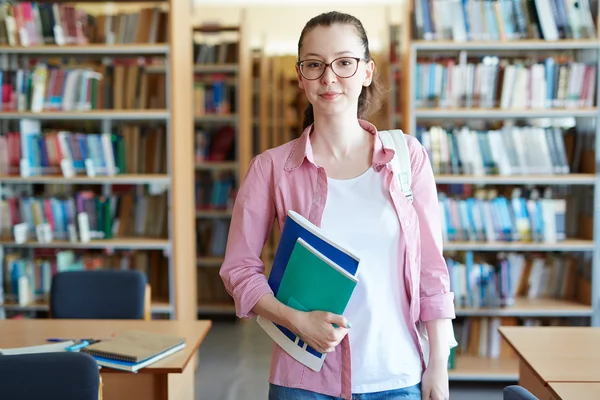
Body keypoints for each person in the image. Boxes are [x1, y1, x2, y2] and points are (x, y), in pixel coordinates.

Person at [219, 11, 455, 400]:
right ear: (300, 76)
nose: (329, 78)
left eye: (344, 62)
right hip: (305, 379)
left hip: (398, 377)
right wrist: (295, 321)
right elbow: (239, 270)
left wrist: (439, 366)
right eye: (314, 65)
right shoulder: (272, 168)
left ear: (366, 71)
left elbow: (432, 270)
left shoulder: (406, 157)